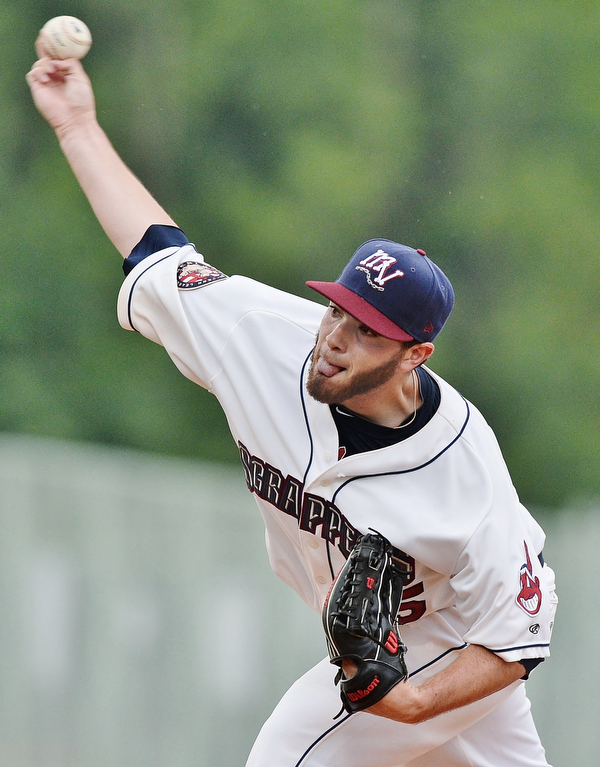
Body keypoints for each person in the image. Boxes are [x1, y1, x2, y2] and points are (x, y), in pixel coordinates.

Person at [27, 52, 558, 767]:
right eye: (338, 310)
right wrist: (78, 127)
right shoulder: (261, 336)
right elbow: (156, 253)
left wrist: (414, 703)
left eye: (367, 329)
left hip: (449, 649)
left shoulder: (465, 467)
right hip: (401, 664)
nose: (335, 338)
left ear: (414, 355)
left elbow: (518, 634)